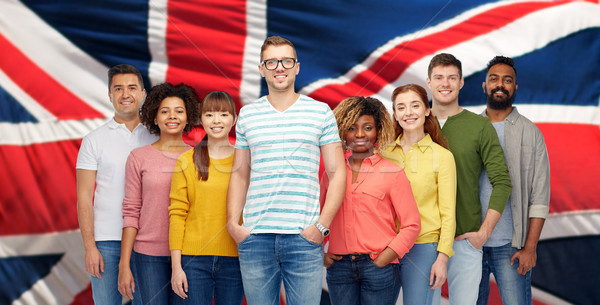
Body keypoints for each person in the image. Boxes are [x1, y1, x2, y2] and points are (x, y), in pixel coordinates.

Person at [226, 35, 346, 305]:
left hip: (304, 238)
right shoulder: (248, 114)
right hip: (256, 238)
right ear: (261, 69)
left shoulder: (321, 112)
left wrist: (321, 227)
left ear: (297, 67)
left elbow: (338, 173)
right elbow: (239, 173)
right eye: (271, 62)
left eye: (286, 61)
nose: (279, 67)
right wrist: (234, 224)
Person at [426, 53, 512, 305]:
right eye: (439, 77)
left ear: (461, 83)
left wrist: (483, 233)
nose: (445, 83)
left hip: (464, 239)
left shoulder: (479, 126)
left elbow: (502, 181)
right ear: (428, 82)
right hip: (422, 241)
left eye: (452, 78)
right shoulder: (412, 122)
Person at [322, 96, 421, 305]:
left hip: (379, 267)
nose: (359, 134)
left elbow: (412, 225)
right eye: (352, 128)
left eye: (367, 128)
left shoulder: (393, 172)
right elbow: (318, 215)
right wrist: (321, 252)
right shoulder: (331, 172)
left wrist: (386, 257)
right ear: (343, 131)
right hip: (339, 267)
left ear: (377, 132)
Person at [76, 64, 156, 304]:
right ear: (110, 96)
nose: (125, 94)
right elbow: (83, 197)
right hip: (107, 241)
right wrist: (90, 246)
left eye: (132, 88)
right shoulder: (93, 141)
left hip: (149, 241)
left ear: (143, 94)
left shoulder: (157, 136)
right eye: (118, 89)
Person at [476, 56, 550, 305]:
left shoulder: (531, 133)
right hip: (470, 243)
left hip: (511, 245)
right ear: (484, 85)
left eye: (507, 80)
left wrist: (530, 248)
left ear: (515, 88)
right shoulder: (469, 129)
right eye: (494, 79)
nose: (500, 84)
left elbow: (539, 197)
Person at [117, 83, 200, 304]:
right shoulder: (138, 157)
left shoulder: (199, 158)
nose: (172, 116)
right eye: (165, 111)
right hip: (148, 256)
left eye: (179, 111)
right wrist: (124, 265)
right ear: (155, 118)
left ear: (188, 117)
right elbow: (131, 211)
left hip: (188, 255)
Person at [380, 84, 457, 305]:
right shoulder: (383, 154)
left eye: (415, 105)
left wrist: (441, 258)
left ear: (427, 110)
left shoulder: (442, 157)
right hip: (384, 246)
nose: (409, 112)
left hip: (423, 247)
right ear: (395, 114)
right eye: (401, 107)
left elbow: (448, 213)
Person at [169, 91, 244, 304]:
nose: (216, 121)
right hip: (193, 261)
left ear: (234, 119)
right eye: (209, 114)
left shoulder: (245, 161)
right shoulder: (186, 160)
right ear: (201, 119)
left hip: (236, 260)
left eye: (223, 114)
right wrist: (176, 268)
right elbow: (177, 215)